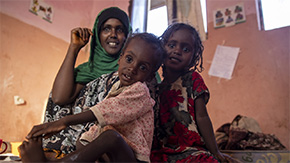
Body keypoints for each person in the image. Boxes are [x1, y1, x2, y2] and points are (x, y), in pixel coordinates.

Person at [19, 33, 166, 162]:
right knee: (84, 141)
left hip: (129, 158)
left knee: (111, 137)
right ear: (120, 59)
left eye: (143, 68)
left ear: (150, 76)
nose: (133, 68)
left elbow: (107, 110)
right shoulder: (115, 85)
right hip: (110, 157)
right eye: (129, 59)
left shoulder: (141, 91)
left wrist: (64, 122)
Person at [43, 7, 131, 157]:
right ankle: (59, 152)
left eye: (120, 29)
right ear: (97, 35)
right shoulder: (87, 70)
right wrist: (74, 48)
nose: (113, 35)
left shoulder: (133, 71)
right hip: (76, 138)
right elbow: (59, 98)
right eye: (106, 29)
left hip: (111, 140)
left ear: (127, 35)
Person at [150, 23, 233, 162]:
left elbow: (202, 118)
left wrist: (216, 151)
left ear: (194, 58)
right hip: (163, 153)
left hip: (191, 150)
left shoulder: (192, 80)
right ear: (161, 48)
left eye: (186, 49)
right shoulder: (155, 89)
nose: (177, 51)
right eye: (171, 45)